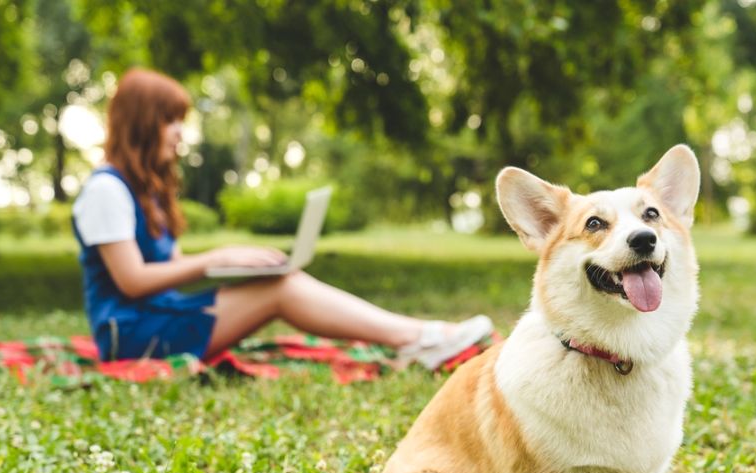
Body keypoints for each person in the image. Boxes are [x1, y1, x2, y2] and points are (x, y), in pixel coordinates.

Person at [71, 67, 492, 369]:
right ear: (142, 124)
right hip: (129, 337)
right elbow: (132, 280)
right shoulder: (106, 191)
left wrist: (235, 266)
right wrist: (215, 257)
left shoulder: (147, 192)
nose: (179, 132)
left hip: (162, 317)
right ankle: (420, 338)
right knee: (281, 290)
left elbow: (171, 269)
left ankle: (419, 336)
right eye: (170, 120)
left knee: (276, 281)